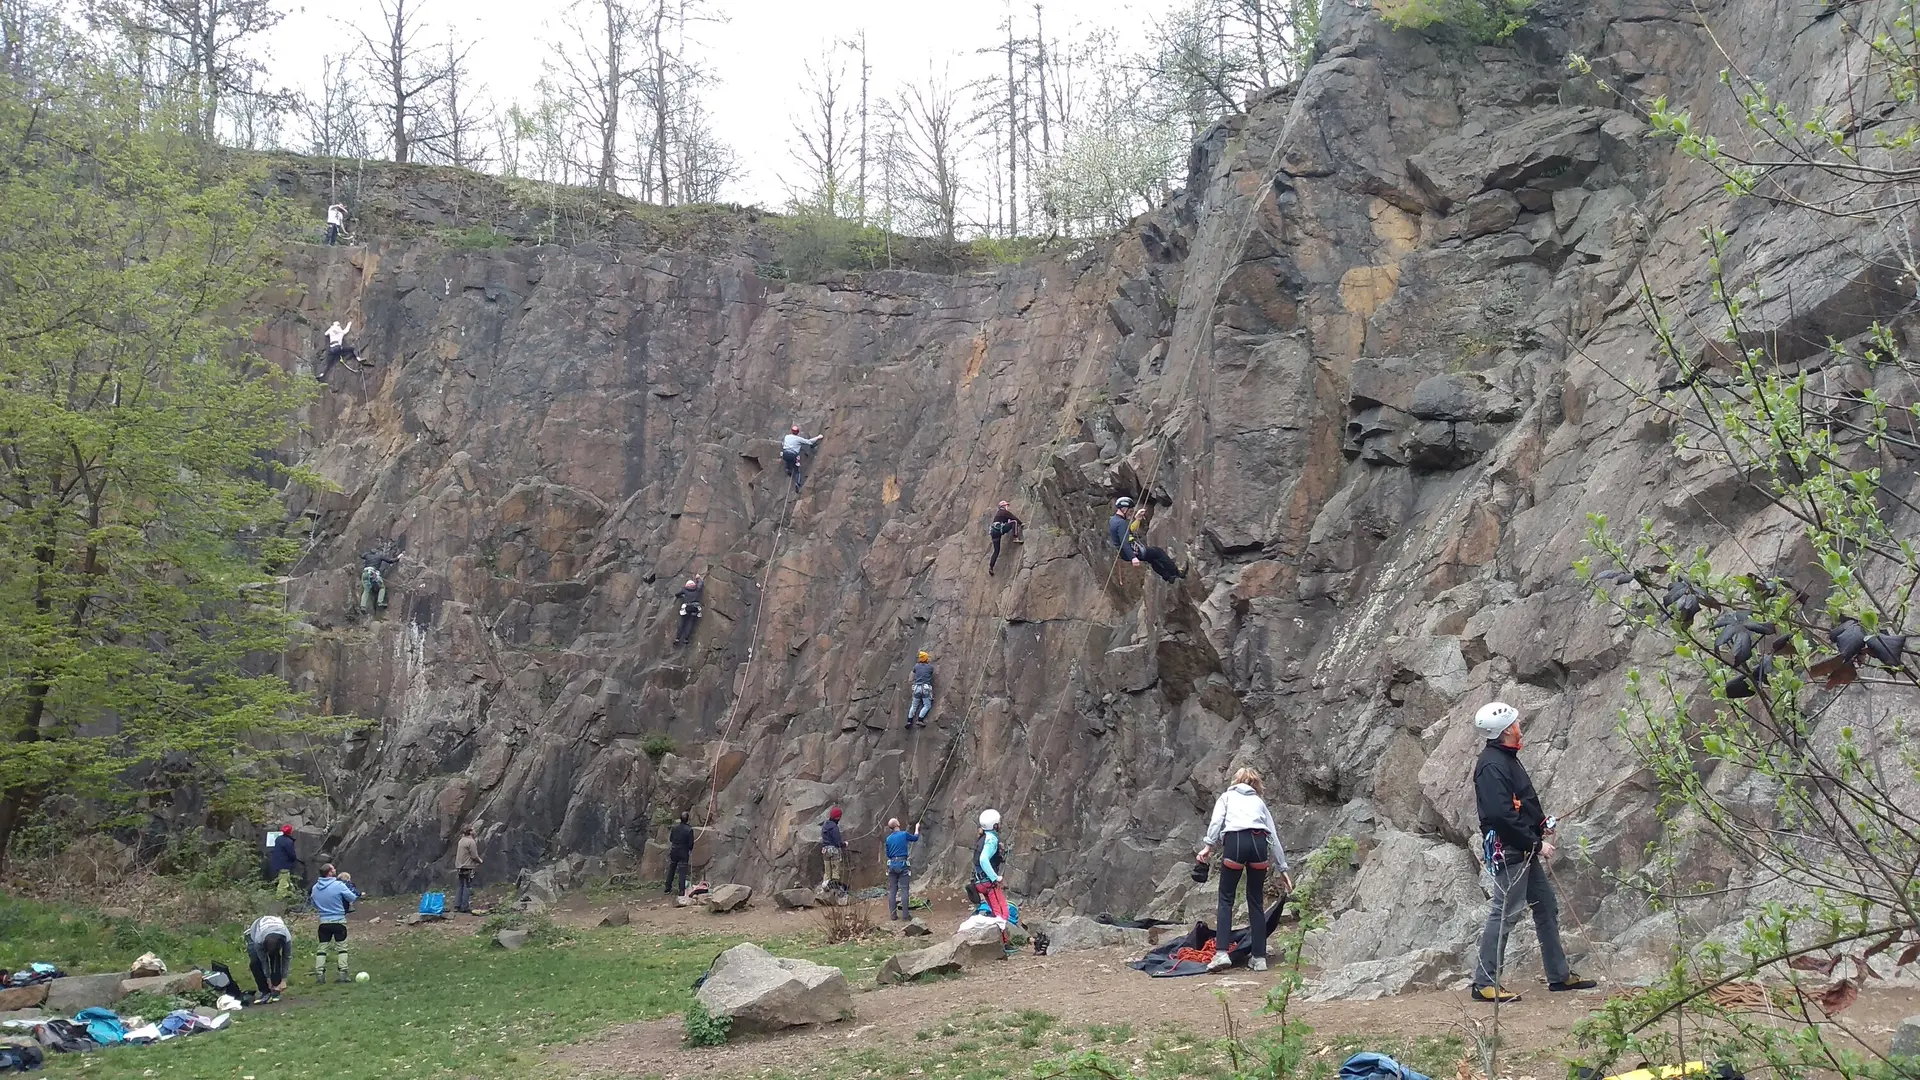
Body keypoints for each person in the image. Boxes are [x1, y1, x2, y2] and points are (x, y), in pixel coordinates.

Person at [1469, 701, 1597, 1002]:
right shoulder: (1492, 766)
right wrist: (1536, 844)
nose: (1519, 728)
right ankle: (1485, 982)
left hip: (1520, 845)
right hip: (1510, 848)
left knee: (1545, 905)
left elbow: (1520, 801)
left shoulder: (1506, 759)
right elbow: (1501, 815)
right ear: (1505, 731)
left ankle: (1559, 975)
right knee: (1505, 912)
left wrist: (1540, 822)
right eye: (1515, 724)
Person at [1195, 768, 1291, 973]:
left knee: (1226, 899)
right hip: (1259, 844)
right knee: (1255, 901)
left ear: (1236, 781)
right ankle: (1259, 958)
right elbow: (1272, 835)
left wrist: (1208, 846)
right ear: (1255, 784)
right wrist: (1282, 868)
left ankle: (1221, 954)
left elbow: (1216, 822)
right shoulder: (1259, 802)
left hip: (1236, 842)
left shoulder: (1227, 797)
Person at [1108, 498, 1186, 584]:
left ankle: (1168, 577)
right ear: (1124, 509)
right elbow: (1124, 542)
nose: (1130, 513)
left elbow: (1129, 531)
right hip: (1131, 550)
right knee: (1158, 552)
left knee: (1152, 558)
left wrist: (1138, 519)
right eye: (1130, 511)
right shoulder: (1121, 523)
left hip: (1124, 552)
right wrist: (1133, 558)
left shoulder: (1114, 520)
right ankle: (1178, 572)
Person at [308, 864, 362, 984]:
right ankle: (343, 973)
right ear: (330, 873)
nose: (335, 870)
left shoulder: (315, 888)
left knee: (322, 948)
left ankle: (319, 974)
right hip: (338, 920)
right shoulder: (339, 885)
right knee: (342, 948)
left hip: (323, 921)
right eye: (333, 869)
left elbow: (313, 903)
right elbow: (352, 897)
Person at [971, 809, 1012, 948]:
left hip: (979, 882)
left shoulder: (983, 837)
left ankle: (1000, 941)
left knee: (996, 910)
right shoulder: (991, 839)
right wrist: (996, 878)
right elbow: (983, 859)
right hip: (988, 882)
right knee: (1002, 912)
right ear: (994, 825)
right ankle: (1003, 943)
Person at [243, 914, 292, 1003]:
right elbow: (264, 961)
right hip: (255, 932)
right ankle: (265, 991)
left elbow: (286, 958)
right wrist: (268, 979)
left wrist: (284, 980)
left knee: (275, 959)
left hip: (274, 932)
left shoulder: (287, 938)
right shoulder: (258, 940)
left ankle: (276, 989)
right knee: (255, 963)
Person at [883, 818, 921, 921]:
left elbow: (888, 854)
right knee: (904, 890)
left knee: (892, 890)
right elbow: (915, 838)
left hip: (892, 865)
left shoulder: (888, 839)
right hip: (902, 864)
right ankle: (905, 916)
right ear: (897, 824)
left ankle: (893, 915)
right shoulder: (904, 834)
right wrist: (917, 828)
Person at [781, 426, 824, 493]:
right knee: (797, 471)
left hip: (785, 453)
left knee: (788, 461)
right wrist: (818, 437)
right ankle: (797, 484)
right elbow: (809, 442)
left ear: (791, 431)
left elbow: (783, 444)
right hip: (793, 455)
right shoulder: (798, 439)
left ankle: (788, 470)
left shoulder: (787, 437)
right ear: (797, 432)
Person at [267, 825, 303, 901]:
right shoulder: (288, 842)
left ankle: (293, 895)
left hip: (277, 863)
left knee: (287, 880)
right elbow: (292, 854)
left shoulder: (278, 839)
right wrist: (294, 860)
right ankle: (279, 899)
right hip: (285, 865)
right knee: (283, 883)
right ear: (290, 832)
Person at [988, 501, 1024, 575]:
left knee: (996, 551)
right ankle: (1016, 538)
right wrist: (1021, 523)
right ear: (1003, 506)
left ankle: (991, 567)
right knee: (1014, 522)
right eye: (1006, 506)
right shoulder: (1004, 512)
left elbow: (1006, 521)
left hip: (994, 533)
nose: (1007, 507)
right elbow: (1013, 518)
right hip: (999, 530)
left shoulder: (999, 514)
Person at [359, 545, 397, 613]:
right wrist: (398, 558)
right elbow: (390, 561)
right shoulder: (379, 556)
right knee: (382, 587)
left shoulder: (367, 555)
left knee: (366, 590)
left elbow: (362, 555)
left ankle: (363, 606)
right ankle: (380, 602)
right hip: (373, 573)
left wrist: (366, 553)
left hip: (365, 573)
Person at [665, 812, 695, 896]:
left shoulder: (675, 828)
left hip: (674, 850)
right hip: (683, 851)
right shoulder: (689, 829)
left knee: (672, 868)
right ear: (688, 819)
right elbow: (690, 843)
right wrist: (690, 850)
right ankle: (681, 891)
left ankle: (667, 888)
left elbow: (671, 839)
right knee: (682, 871)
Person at [455, 825, 482, 914]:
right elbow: (474, 856)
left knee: (460, 886)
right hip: (468, 866)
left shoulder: (461, 841)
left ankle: (457, 905)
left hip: (460, 867)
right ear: (470, 832)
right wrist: (480, 861)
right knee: (467, 886)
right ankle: (465, 907)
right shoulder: (471, 842)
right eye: (473, 830)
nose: (475, 831)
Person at [819, 806, 846, 891]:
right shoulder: (834, 827)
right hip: (834, 850)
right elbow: (838, 842)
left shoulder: (825, 825)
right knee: (835, 869)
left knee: (827, 870)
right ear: (837, 817)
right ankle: (834, 888)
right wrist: (844, 844)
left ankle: (825, 888)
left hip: (825, 850)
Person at [673, 575, 704, 646]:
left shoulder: (684, 590)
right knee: (690, 623)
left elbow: (677, 594)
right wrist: (698, 578)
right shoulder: (697, 589)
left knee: (682, 623)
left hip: (687, 608)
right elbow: (700, 583)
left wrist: (681, 596)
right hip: (695, 608)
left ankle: (677, 638)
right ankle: (686, 639)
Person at [906, 652, 934, 728]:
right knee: (927, 705)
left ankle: (909, 721)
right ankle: (920, 719)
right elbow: (930, 673)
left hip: (917, 688)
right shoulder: (930, 667)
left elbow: (913, 673)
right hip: (925, 688)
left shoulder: (916, 666)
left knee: (914, 705)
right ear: (926, 659)